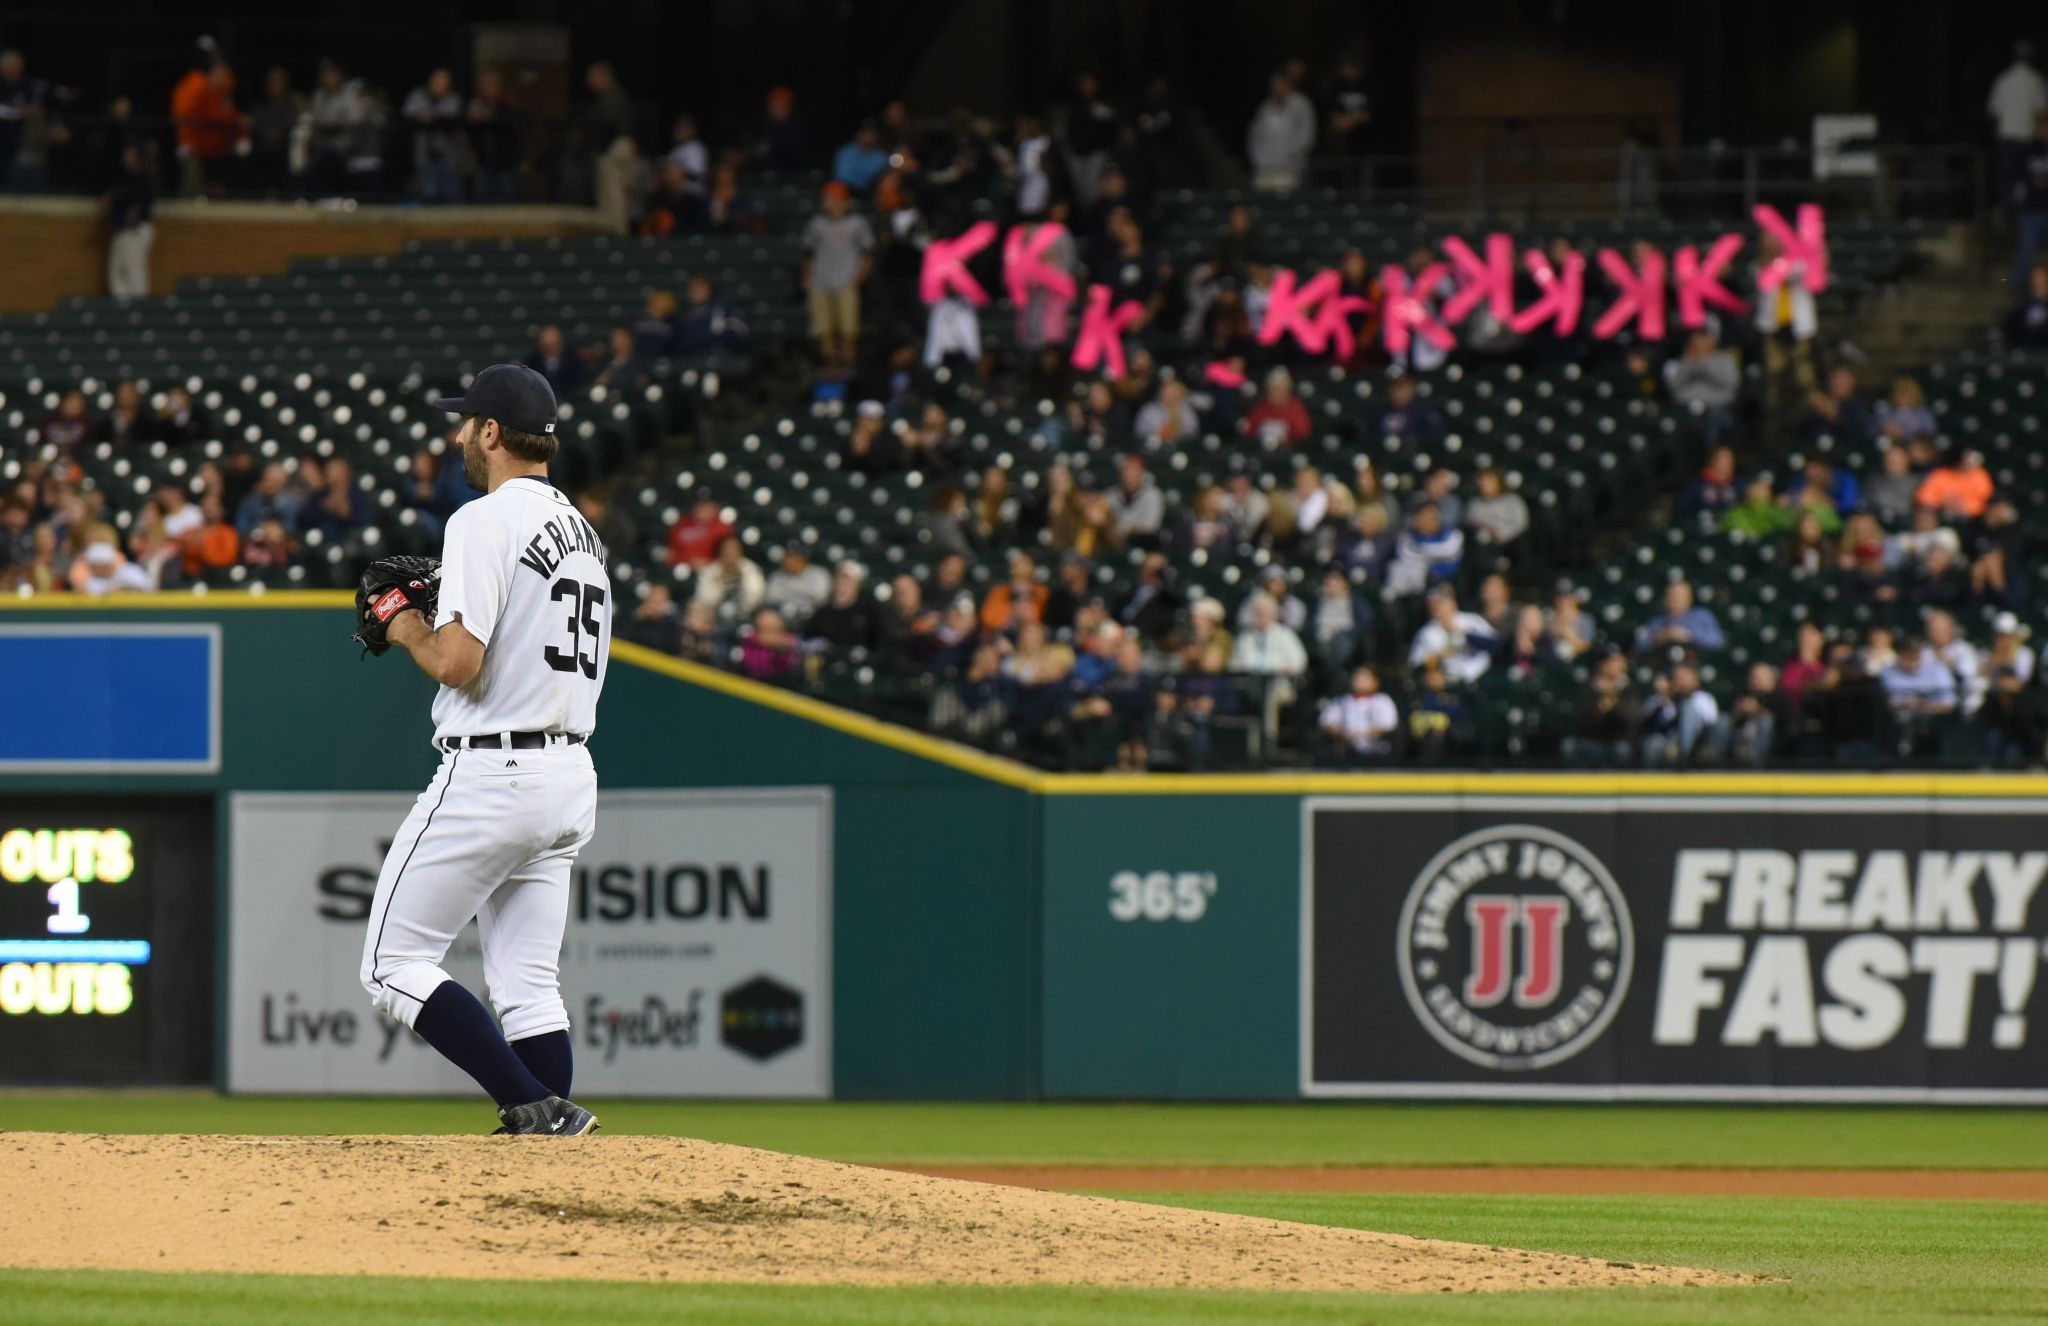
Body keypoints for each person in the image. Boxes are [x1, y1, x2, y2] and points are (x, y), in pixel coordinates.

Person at [354, 362, 607, 1137]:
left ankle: (533, 1111)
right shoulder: (585, 534)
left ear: (493, 433)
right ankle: (546, 1149)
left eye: (468, 423)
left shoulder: (482, 519)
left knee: (391, 965)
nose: (461, 434)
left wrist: (401, 622)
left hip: (495, 768)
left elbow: (457, 664)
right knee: (528, 985)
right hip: (569, 773)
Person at [803, 181, 874, 376]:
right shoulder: (816, 223)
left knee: (848, 331)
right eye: (828, 199)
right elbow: (808, 254)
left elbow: (867, 253)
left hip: (846, 280)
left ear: (846, 201)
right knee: (824, 331)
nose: (832, 203)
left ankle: (849, 371)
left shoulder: (857, 223)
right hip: (820, 281)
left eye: (836, 199)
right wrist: (807, 278)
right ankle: (830, 371)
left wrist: (858, 278)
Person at [1991, 42, 2048, 208]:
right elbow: (2043, 113)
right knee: (2029, 186)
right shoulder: (2036, 80)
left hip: (2009, 141)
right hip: (2028, 142)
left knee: (2012, 185)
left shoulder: (2003, 80)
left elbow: (1995, 113)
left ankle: (2013, 223)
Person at [1408, 585, 1495, 685]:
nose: (1437, 606)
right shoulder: (1425, 633)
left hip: (1480, 678)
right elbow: (1415, 665)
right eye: (1432, 603)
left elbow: (1495, 645)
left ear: (1453, 602)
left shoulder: (1473, 621)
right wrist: (1437, 658)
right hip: (1447, 683)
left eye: (1441, 601)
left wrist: (1468, 636)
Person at [403, 69, 466, 203]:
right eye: (438, 81)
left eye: (445, 82)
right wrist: (422, 119)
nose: (441, 85)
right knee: (428, 194)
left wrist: (434, 118)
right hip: (424, 154)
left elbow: (454, 122)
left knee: (451, 196)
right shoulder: (418, 96)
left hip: (448, 155)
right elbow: (407, 120)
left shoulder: (453, 99)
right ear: (431, 81)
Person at [1246, 70, 1314, 191]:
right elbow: (1254, 134)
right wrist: (1258, 159)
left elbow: (1306, 136)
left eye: (1279, 83)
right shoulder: (1266, 106)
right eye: (1274, 84)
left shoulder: (1301, 105)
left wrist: (1291, 157)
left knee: (1284, 204)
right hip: (1264, 169)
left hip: (1288, 170)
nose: (1276, 87)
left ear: (1288, 84)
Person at [1641, 664, 1720, 767]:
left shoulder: (1704, 698)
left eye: (1685, 679)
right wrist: (1665, 702)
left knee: (1689, 711)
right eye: (1678, 678)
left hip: (1699, 743)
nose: (1681, 682)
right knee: (1653, 743)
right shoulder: (1663, 699)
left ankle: (1684, 755)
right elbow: (1656, 722)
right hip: (1669, 742)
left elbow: (1711, 722)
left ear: (1696, 681)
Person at [1317, 666, 1398, 766]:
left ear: (1375, 682)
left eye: (1364, 677)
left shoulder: (1382, 701)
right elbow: (1326, 722)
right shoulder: (1342, 700)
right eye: (1356, 677)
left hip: (1376, 749)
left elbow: (1388, 725)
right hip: (1347, 747)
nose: (1358, 680)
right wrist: (1342, 734)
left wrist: (1359, 734)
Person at [1635, 578, 1725, 655]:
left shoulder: (1702, 616)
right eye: (1671, 596)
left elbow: (1718, 642)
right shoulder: (1658, 621)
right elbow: (1639, 645)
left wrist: (1689, 636)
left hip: (1694, 665)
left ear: (1689, 598)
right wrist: (1659, 638)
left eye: (1679, 597)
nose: (1675, 600)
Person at [2017, 109, 2048, 292]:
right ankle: (2021, 295)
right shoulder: (2029, 150)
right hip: (2032, 210)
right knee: (2026, 255)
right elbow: (2022, 179)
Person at [1465, 468, 1529, 546]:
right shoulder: (1474, 503)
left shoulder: (1512, 500)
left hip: (1512, 544)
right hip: (1484, 546)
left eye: (1489, 480)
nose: (1484, 483)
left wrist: (1502, 534)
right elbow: (1471, 522)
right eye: (1481, 480)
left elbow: (1521, 524)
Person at [524, 325, 586, 398]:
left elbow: (578, 382)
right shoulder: (533, 361)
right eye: (547, 345)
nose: (551, 348)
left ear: (561, 343)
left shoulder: (573, 360)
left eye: (554, 344)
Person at [2005, 264, 2048, 349]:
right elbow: (2010, 329)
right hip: (2025, 351)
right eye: (2034, 281)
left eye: (2041, 281)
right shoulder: (2021, 307)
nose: (2037, 284)